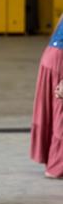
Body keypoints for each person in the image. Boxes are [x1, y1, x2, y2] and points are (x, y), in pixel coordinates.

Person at [31, 13, 63, 179]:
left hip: (51, 54)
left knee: (51, 109)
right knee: (61, 112)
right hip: (60, 60)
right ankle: (57, 166)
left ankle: (51, 158)